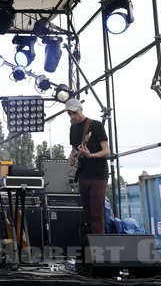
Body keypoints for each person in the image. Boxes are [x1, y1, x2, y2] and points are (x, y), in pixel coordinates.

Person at [66, 98, 110, 235]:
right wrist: (71, 156)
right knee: (88, 215)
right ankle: (91, 245)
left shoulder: (95, 125)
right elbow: (75, 148)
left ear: (81, 109)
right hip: (83, 175)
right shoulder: (73, 128)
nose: (73, 116)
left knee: (97, 214)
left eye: (75, 113)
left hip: (98, 175)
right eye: (69, 113)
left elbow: (107, 151)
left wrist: (91, 155)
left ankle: (98, 248)